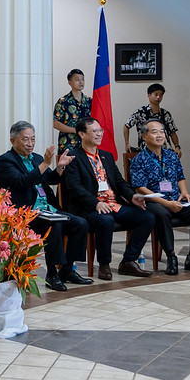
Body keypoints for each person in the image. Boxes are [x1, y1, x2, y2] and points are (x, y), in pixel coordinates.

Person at [0, 120, 92, 291]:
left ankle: (67, 269)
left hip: (48, 210)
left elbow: (51, 179)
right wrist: (46, 163)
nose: (30, 144)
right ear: (12, 141)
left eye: (33, 139)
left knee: (80, 223)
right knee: (54, 226)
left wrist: (60, 167)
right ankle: (52, 273)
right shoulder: (5, 161)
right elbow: (23, 182)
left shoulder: (37, 158)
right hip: (25, 213)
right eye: (25, 140)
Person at [63, 118, 154, 280]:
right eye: (94, 131)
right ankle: (104, 264)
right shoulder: (73, 157)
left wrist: (132, 196)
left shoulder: (106, 156)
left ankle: (128, 261)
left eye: (100, 131)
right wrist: (96, 203)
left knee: (146, 217)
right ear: (82, 134)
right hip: (90, 207)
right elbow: (74, 188)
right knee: (105, 221)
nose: (99, 134)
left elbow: (119, 182)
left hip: (113, 204)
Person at [130, 119, 190, 274]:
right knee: (161, 213)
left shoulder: (172, 156)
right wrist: (166, 203)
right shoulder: (138, 159)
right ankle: (171, 257)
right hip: (154, 201)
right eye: (154, 132)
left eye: (162, 131)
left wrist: (184, 192)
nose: (160, 135)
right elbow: (140, 188)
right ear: (144, 136)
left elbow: (180, 177)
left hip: (175, 199)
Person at [123, 83, 182, 157]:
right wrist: (127, 143)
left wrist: (177, 146)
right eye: (156, 94)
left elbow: (172, 132)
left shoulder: (165, 114)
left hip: (162, 151)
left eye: (161, 95)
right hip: (145, 152)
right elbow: (126, 126)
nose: (158, 97)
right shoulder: (141, 112)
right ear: (149, 95)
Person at [53, 68, 92, 155]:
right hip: (68, 143)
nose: (81, 82)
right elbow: (55, 123)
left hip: (86, 142)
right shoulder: (63, 101)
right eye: (77, 80)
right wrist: (75, 130)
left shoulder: (90, 101)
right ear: (70, 82)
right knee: (67, 167)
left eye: (82, 79)